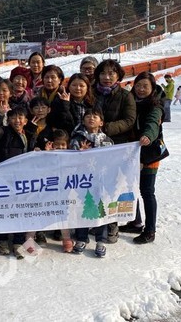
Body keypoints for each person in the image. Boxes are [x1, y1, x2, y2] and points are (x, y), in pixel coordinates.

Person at [93, 59, 136, 243]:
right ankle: (94, 222)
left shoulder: (125, 96)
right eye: (103, 73)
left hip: (116, 147)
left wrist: (105, 128)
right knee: (94, 186)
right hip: (93, 147)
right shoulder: (92, 92)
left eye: (111, 73)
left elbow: (129, 120)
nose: (107, 77)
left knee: (113, 187)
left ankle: (112, 225)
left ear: (118, 75)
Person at [0, 106, 35, 258]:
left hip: (24, 179)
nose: (17, 120)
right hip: (6, 178)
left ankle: (18, 242)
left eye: (20, 117)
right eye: (13, 117)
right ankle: (2, 240)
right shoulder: (4, 132)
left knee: (21, 209)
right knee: (4, 209)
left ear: (26, 121)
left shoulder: (29, 134)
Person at [70, 107, 114, 258]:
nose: (91, 118)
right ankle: (81, 238)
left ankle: (101, 240)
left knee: (101, 209)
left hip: (101, 181)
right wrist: (79, 154)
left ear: (101, 122)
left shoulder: (107, 141)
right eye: (88, 116)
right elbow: (69, 160)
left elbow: (112, 161)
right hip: (82, 181)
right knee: (83, 208)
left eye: (95, 116)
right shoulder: (77, 139)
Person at [127, 71, 166, 244]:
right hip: (132, 153)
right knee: (131, 188)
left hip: (149, 153)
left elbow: (152, 124)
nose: (141, 89)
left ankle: (150, 230)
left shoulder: (155, 106)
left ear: (152, 88)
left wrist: (148, 136)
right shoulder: (131, 102)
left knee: (147, 191)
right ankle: (135, 222)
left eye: (145, 86)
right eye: (138, 85)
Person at [43, 129, 75, 253]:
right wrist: (46, 154)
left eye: (63, 144)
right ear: (52, 144)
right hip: (46, 191)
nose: (61, 147)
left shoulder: (70, 157)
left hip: (63, 191)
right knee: (38, 213)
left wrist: (82, 154)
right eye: (57, 144)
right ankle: (29, 239)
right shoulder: (46, 155)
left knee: (63, 214)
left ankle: (66, 238)